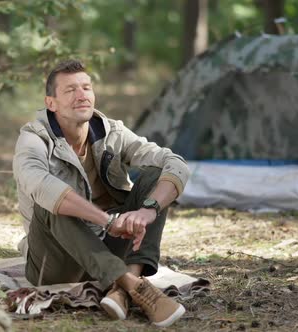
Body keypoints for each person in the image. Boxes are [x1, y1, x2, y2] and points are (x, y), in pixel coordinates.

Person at [12, 59, 190, 327]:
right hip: (57, 261)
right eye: (70, 90)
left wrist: (147, 210)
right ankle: (134, 286)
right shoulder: (33, 140)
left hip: (109, 244)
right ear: (51, 103)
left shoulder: (111, 132)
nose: (82, 95)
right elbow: (40, 185)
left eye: (86, 87)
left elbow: (175, 163)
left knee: (155, 174)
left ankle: (120, 289)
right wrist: (107, 220)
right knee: (52, 201)